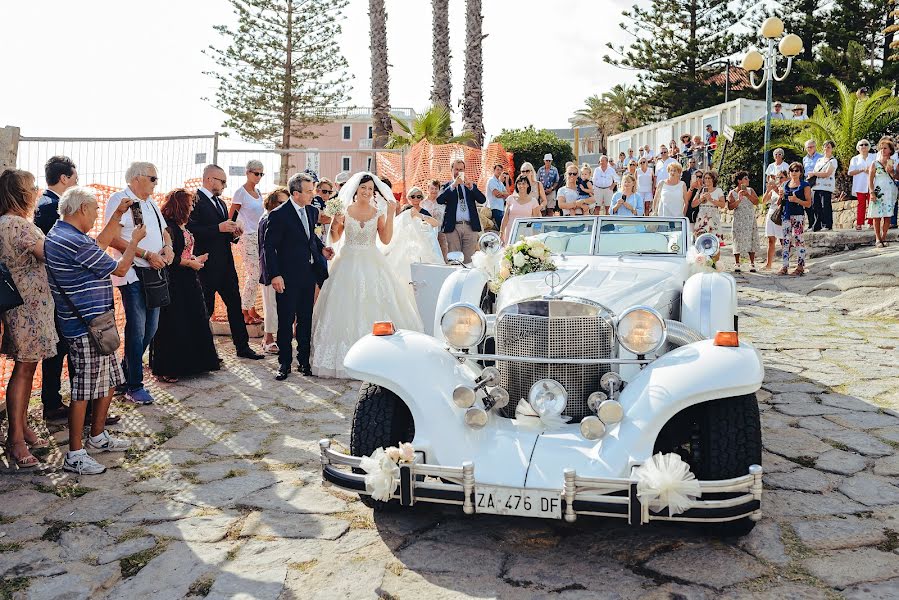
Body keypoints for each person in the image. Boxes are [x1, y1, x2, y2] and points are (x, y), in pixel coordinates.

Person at [44, 186, 143, 474]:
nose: (97, 215)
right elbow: (121, 268)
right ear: (82, 210)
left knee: (110, 379)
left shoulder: (63, 234)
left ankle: (98, 437)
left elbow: (98, 244)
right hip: (86, 326)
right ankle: (74, 454)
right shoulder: (72, 240)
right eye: (96, 210)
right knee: (83, 391)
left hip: (95, 324)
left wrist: (118, 214)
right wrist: (135, 240)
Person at [311, 173, 422, 378]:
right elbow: (335, 237)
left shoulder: (378, 212)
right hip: (348, 261)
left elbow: (386, 239)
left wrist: (390, 213)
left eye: (371, 189)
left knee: (377, 303)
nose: (367, 192)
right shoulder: (345, 210)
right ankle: (345, 357)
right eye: (364, 188)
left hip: (372, 261)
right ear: (356, 190)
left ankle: (377, 357)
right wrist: (336, 222)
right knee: (345, 307)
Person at [104, 162, 175, 405]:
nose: (156, 183)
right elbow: (112, 238)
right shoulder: (120, 200)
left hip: (154, 275)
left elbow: (164, 231)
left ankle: (125, 375)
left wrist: (168, 247)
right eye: (153, 178)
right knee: (137, 329)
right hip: (133, 274)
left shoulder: (151, 202)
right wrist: (146, 254)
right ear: (136, 178)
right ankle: (134, 384)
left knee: (150, 329)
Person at [0, 170, 58, 468]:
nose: (36, 191)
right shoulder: (17, 224)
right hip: (28, 309)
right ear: (19, 193)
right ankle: (15, 441)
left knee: (25, 368)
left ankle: (22, 429)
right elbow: (50, 254)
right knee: (24, 371)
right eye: (31, 187)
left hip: (27, 306)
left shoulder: (8, 223)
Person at [188, 164, 263, 360]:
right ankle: (203, 352)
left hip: (226, 264)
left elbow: (223, 232)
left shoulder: (221, 203)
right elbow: (191, 230)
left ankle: (242, 347)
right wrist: (218, 228)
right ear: (209, 179)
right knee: (206, 309)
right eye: (222, 181)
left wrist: (234, 233)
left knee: (235, 306)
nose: (224, 185)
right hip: (205, 265)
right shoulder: (195, 200)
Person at [265, 174, 334, 380]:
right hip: (286, 277)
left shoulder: (313, 211)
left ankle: (304, 362)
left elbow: (310, 237)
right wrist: (275, 275)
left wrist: (322, 249)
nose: (313, 194)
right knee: (286, 321)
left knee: (305, 320)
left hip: (308, 275)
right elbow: (269, 247)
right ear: (296, 194)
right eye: (309, 191)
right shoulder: (278, 215)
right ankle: (284, 364)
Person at [149, 189, 219, 382]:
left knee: (193, 319)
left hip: (189, 280)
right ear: (180, 206)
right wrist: (190, 263)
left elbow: (185, 253)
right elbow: (170, 257)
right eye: (189, 204)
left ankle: (195, 363)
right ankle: (171, 367)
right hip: (175, 282)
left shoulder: (183, 227)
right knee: (175, 323)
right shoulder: (169, 227)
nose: (192, 207)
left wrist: (195, 259)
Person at [33, 156, 78, 423]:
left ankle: (56, 402)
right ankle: (55, 404)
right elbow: (60, 251)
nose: (76, 181)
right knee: (61, 347)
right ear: (64, 178)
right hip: (58, 289)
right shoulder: (51, 207)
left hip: (56, 289)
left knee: (59, 347)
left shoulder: (46, 204)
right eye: (75, 177)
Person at [229, 160, 265, 325]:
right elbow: (232, 216)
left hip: (258, 236)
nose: (258, 177)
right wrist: (234, 234)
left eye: (261, 174)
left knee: (258, 274)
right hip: (246, 237)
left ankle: (251, 308)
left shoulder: (258, 192)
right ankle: (244, 311)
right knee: (254, 274)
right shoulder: (240, 193)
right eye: (256, 173)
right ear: (248, 172)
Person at [436, 159, 487, 262]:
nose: (458, 172)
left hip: (470, 226)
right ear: (451, 170)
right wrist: (453, 185)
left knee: (469, 260)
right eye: (456, 169)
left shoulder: (470, 186)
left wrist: (472, 187)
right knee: (455, 259)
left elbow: (482, 200)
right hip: (453, 227)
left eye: (461, 169)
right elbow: (439, 200)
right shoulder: (447, 186)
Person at [257, 188, 288, 355]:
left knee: (279, 306)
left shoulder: (280, 219)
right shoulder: (266, 219)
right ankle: (267, 339)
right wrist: (270, 273)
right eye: (281, 203)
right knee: (270, 306)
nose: (284, 207)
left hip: (282, 270)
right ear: (272, 203)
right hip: (270, 271)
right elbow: (264, 249)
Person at [781, 162, 812, 275]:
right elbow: (782, 201)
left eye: (796, 170)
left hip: (798, 215)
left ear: (800, 172)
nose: (794, 172)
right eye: (792, 170)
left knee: (799, 240)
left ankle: (800, 266)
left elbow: (808, 204)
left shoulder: (805, 185)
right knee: (785, 241)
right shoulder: (785, 184)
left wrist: (797, 200)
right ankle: (784, 266)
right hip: (786, 215)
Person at [867, 137, 898, 247]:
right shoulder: (874, 163)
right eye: (881, 148)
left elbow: (897, 177)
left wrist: (892, 172)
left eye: (885, 148)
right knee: (876, 216)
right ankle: (877, 239)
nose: (882, 150)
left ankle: (884, 238)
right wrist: (871, 192)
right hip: (878, 192)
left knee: (887, 216)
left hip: (890, 192)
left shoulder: (893, 163)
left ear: (890, 150)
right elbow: (870, 180)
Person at [728, 171, 760, 273]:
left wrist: (748, 195)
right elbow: (730, 207)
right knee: (737, 239)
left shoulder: (750, 190)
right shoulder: (732, 192)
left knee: (752, 238)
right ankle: (737, 263)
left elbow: (756, 202)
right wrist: (739, 199)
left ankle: (752, 263)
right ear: (739, 181)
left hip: (750, 218)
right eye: (746, 178)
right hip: (739, 219)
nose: (748, 180)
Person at [761, 171, 789, 269]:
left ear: (786, 178)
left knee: (782, 240)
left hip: (781, 214)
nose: (779, 179)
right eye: (778, 177)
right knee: (771, 239)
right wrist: (768, 190)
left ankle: (785, 264)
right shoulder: (773, 189)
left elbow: (782, 200)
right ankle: (769, 264)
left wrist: (776, 189)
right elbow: (763, 201)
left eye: (781, 177)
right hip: (771, 214)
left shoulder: (787, 187)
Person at [501, 176, 542, 242]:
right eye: (519, 184)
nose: (521, 186)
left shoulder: (533, 201)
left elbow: (537, 220)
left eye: (523, 183)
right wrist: (501, 233)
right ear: (516, 185)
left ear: (528, 185)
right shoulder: (510, 199)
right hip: (511, 232)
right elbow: (505, 218)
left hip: (526, 235)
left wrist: (537, 235)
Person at [809, 140, 837, 231]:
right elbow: (815, 171)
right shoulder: (819, 160)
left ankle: (827, 224)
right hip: (816, 186)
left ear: (832, 149)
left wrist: (814, 174)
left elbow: (827, 173)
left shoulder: (833, 161)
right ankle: (817, 224)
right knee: (816, 206)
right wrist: (813, 174)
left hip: (826, 186)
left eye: (828, 147)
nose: (826, 149)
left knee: (825, 205)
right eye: (825, 147)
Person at [849, 139, 876, 231]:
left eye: (865, 144)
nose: (863, 146)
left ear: (868, 147)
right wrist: (862, 170)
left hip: (871, 184)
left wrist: (870, 171)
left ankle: (871, 223)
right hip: (860, 185)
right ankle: (859, 223)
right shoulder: (855, 159)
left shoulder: (874, 157)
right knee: (861, 205)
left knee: (872, 204)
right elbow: (850, 172)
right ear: (858, 148)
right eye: (861, 145)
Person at [691, 171, 725, 240]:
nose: (707, 180)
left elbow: (723, 204)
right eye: (705, 178)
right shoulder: (700, 190)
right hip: (701, 219)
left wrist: (711, 199)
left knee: (715, 242)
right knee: (701, 241)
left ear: (713, 179)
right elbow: (693, 204)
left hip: (713, 219)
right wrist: (701, 199)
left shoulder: (718, 190)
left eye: (709, 178)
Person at [421, 179, 448, 260]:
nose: (434, 191)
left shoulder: (442, 202)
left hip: (440, 232)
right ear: (428, 189)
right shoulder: (423, 203)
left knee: (443, 253)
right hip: (427, 232)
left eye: (436, 188)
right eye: (432, 188)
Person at [801, 140, 822, 230]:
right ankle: (811, 224)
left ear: (815, 147)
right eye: (808, 147)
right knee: (807, 204)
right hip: (807, 181)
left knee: (816, 203)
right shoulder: (805, 159)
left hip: (817, 180)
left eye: (811, 147)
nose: (810, 149)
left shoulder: (820, 157)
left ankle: (818, 224)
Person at [486, 163, 508, 229]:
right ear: (494, 170)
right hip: (494, 208)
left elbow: (507, 194)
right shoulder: (491, 181)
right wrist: (503, 194)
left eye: (501, 170)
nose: (499, 171)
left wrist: (502, 194)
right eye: (497, 169)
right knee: (502, 229)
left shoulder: (500, 183)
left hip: (501, 209)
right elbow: (497, 194)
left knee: (503, 229)